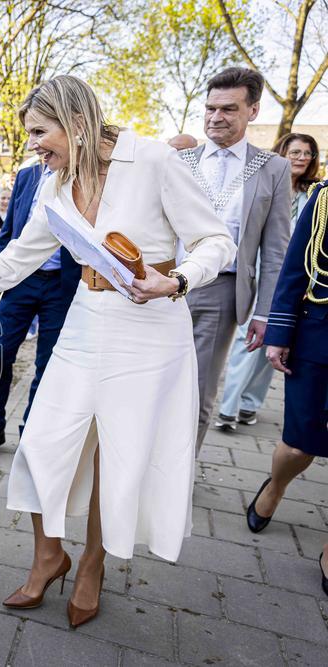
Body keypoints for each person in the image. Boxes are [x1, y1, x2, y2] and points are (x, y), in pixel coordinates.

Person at [0, 75, 235, 628]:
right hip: (85, 325)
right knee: (42, 445)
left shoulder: (155, 161)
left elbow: (216, 240)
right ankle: (48, 555)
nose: (34, 144)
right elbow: (17, 258)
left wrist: (177, 280)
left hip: (149, 333)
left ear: (77, 121)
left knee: (117, 455)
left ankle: (92, 564)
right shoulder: (52, 182)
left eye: (41, 132)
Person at [180, 67, 291, 452]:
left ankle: (180, 477)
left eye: (228, 109)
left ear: (253, 111)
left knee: (198, 391)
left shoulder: (273, 168)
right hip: (163, 288)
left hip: (221, 293)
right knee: (153, 383)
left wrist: (265, 314)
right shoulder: (180, 159)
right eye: (210, 108)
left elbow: (275, 250)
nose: (215, 117)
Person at [0, 157, 82, 457]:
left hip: (61, 285)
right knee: (0, 355)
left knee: (47, 365)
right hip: (21, 282)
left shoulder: (82, 173)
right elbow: (9, 231)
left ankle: (29, 434)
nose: (35, 142)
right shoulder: (28, 175)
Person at [244, 177, 327, 561]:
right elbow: (295, 267)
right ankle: (276, 485)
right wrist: (279, 332)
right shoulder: (324, 200)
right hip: (319, 336)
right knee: (299, 443)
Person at [215, 133, 320, 430]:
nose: (301, 158)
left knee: (277, 340)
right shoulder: (263, 180)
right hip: (261, 271)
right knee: (248, 338)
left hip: (299, 280)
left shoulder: (314, 194)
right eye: (295, 151)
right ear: (282, 153)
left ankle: (250, 404)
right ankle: (229, 407)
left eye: (307, 154)